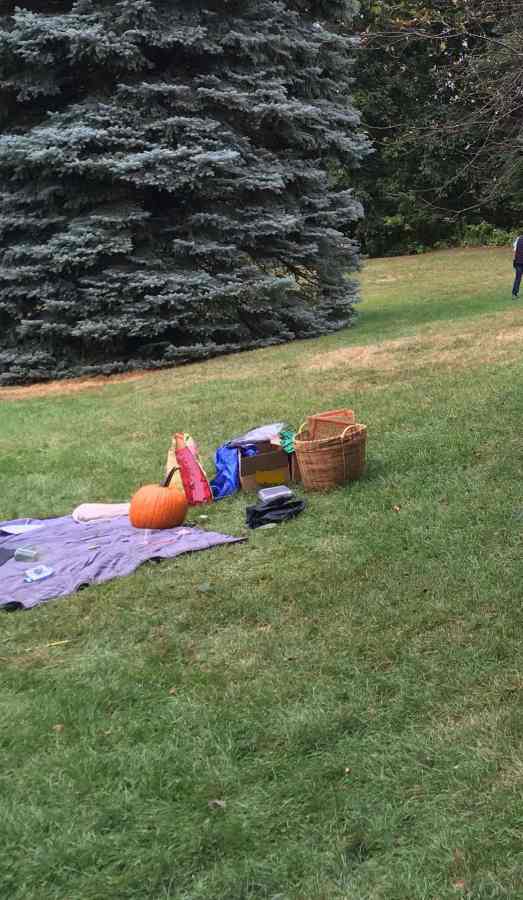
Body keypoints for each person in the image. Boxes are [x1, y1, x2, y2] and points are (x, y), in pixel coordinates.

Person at [512, 233, 523, 298]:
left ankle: (514, 294)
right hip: (519, 261)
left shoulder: (518, 239)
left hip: (518, 262)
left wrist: (514, 260)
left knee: (517, 278)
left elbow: (514, 251)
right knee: (518, 278)